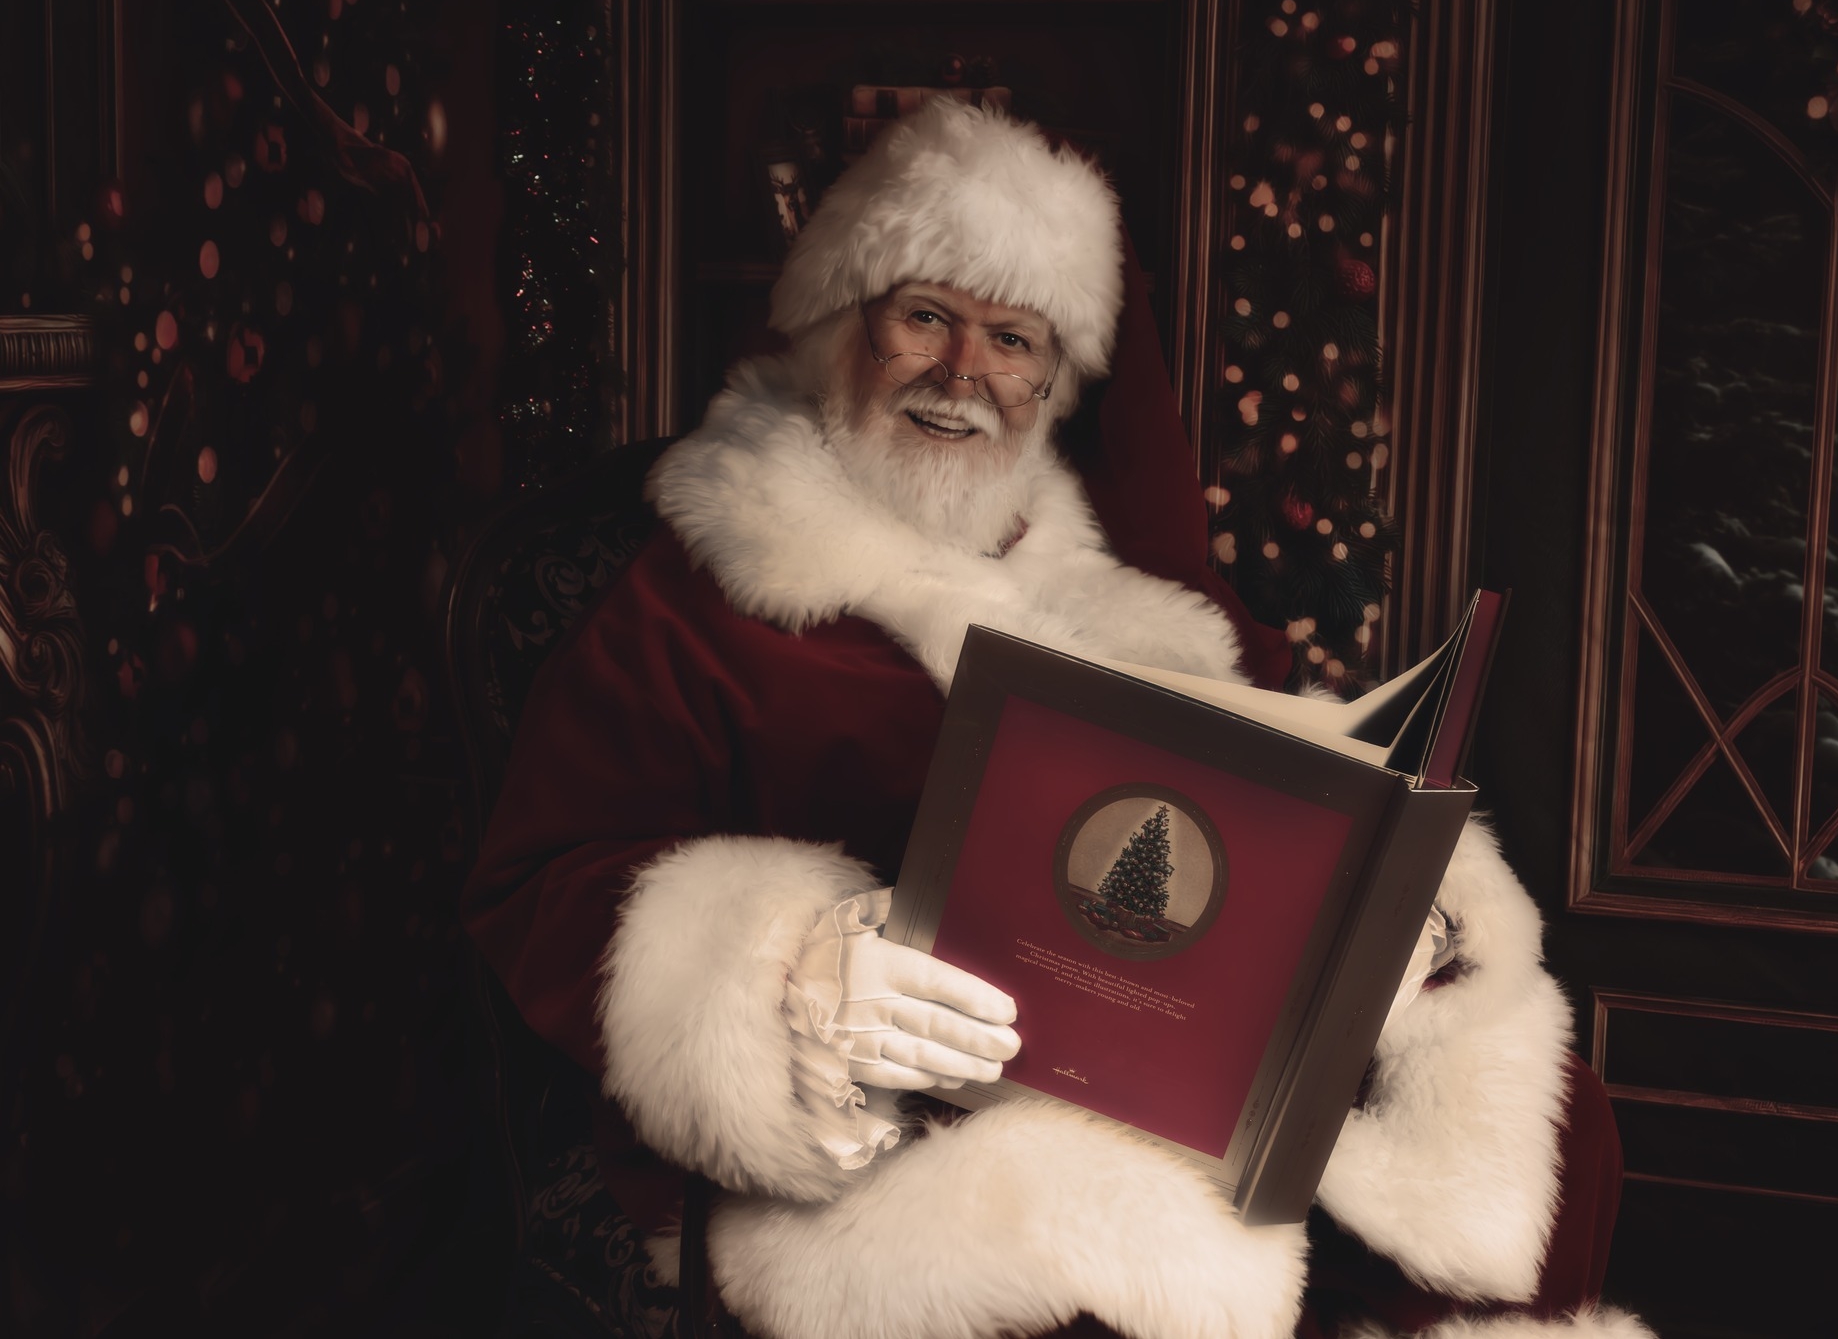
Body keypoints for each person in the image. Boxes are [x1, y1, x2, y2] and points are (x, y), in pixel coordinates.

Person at [464, 98, 1650, 1339]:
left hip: (1164, 1046)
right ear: (839, 321)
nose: (964, 374)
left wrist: (1383, 909)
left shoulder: (1114, 582)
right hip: (903, 1118)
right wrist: (788, 974)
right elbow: (543, 876)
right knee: (1121, 1248)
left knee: (1527, 1101)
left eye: (1013, 340)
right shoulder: (693, 592)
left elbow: (1274, 784)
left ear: (1053, 378)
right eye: (924, 316)